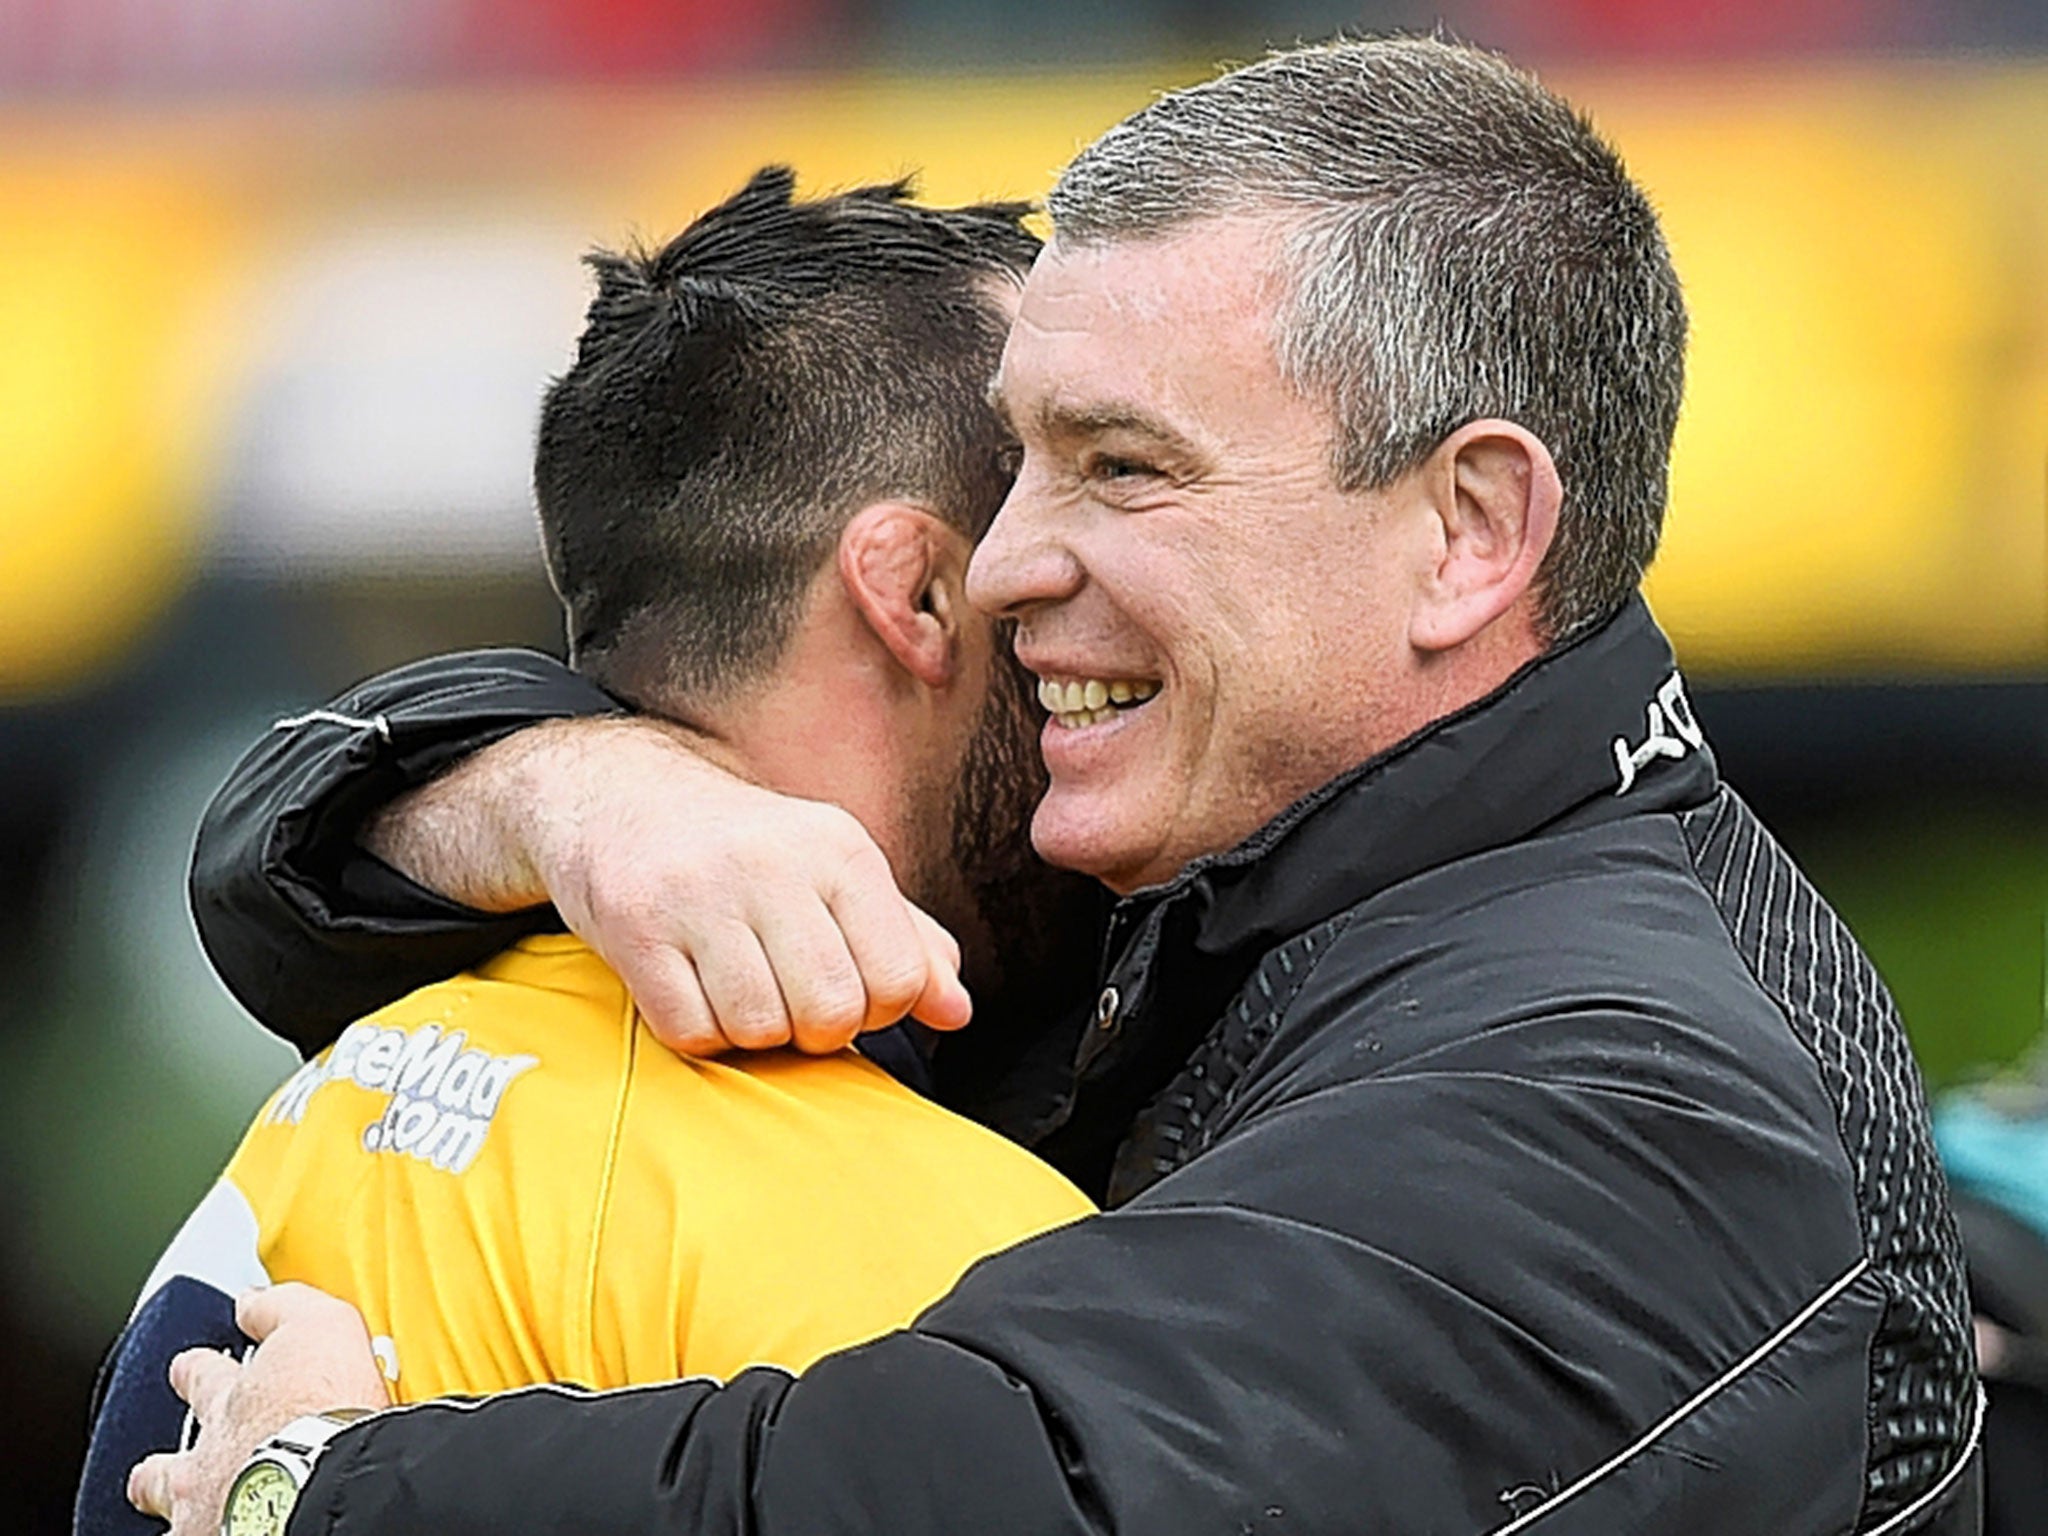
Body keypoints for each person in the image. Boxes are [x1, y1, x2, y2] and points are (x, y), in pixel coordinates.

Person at [141, 36, 1981, 1536]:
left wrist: (319, 1487)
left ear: (1471, 533)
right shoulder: (1220, 876)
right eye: (1015, 462)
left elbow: (1024, 1490)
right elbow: (275, 889)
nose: (1003, 564)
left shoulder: (1628, 1076)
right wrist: (581, 793)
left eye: (1118, 466)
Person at [87, 167, 1098, 1536]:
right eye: (1072, 490)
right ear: (916, 590)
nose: (1097, 578)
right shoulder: (959, 1254)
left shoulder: (356, 1073)